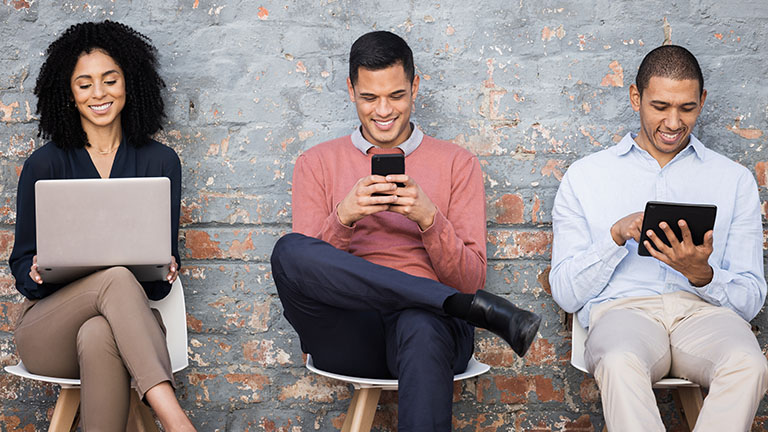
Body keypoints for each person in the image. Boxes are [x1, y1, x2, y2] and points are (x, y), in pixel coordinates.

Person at [271, 31, 541, 432]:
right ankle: (460, 306)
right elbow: (308, 277)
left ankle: (443, 304)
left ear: (415, 87)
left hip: (428, 333)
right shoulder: (316, 163)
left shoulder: (458, 163)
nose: (383, 111)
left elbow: (470, 280)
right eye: (369, 97)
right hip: (348, 333)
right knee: (288, 251)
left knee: (421, 323)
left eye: (396, 95)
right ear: (351, 90)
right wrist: (343, 217)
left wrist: (430, 220)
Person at [550, 44, 768, 431]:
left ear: (702, 101)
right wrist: (615, 238)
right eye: (660, 106)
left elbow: (750, 300)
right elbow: (566, 294)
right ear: (636, 98)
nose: (673, 122)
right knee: (619, 361)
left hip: (704, 314)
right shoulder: (586, 177)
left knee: (748, 363)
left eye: (687, 108)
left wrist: (703, 275)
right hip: (624, 314)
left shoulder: (733, 180)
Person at [9, 21, 196, 431]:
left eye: (110, 80)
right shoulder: (44, 164)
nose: (99, 93)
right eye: (85, 84)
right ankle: (177, 422)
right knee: (115, 277)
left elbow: (156, 286)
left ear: (129, 83)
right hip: (49, 332)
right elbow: (21, 266)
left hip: (126, 331)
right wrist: (34, 270)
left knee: (99, 333)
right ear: (69, 93)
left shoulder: (161, 162)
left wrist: (167, 267)